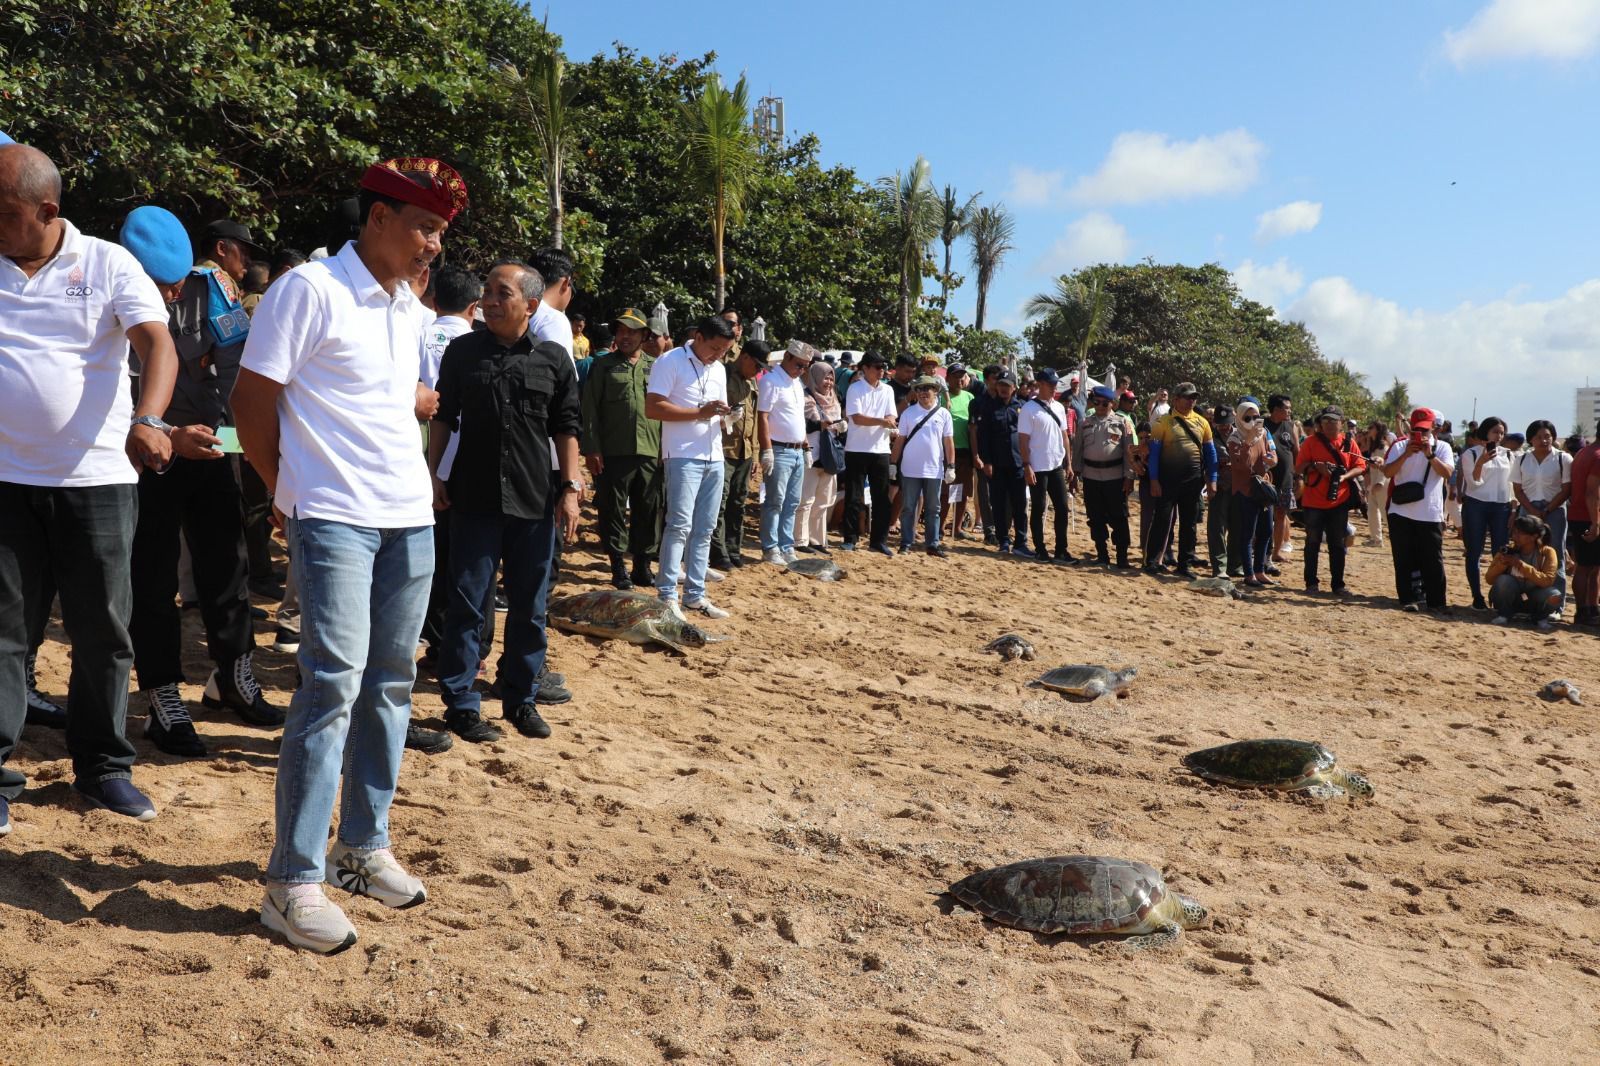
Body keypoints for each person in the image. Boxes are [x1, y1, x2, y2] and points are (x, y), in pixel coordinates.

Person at [234, 156, 468, 953]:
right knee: (330, 685)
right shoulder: (310, 288)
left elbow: (387, 403)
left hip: (408, 517)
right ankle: (291, 879)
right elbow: (252, 399)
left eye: (440, 231)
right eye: (425, 227)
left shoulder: (406, 304)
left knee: (391, 684)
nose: (434, 245)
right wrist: (284, 489)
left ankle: (361, 849)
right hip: (333, 515)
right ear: (378, 218)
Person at [0, 144, 179, 834]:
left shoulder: (106, 262)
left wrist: (152, 418)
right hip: (6, 482)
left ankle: (103, 767)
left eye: (6, 213)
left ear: (47, 211)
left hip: (95, 480)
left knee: (102, 628)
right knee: (5, 631)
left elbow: (157, 345)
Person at [125, 210, 283, 759]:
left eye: (174, 284)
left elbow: (238, 364)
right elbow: (107, 391)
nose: (169, 295)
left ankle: (235, 679)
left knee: (227, 568)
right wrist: (165, 431)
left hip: (209, 448)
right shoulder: (107, 293)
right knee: (152, 581)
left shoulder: (210, 286)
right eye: (157, 285)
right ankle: (163, 700)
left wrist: (231, 436)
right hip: (143, 457)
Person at [430, 260, 581, 743]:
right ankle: (461, 703)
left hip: (536, 500)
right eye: (487, 293)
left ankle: (520, 698)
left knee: (529, 606)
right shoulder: (461, 352)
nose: (489, 301)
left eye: (502, 293)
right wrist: (434, 475)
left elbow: (566, 427)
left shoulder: (554, 358)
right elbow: (443, 418)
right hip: (472, 496)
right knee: (467, 605)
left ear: (530, 305)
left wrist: (571, 489)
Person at [646, 315, 738, 619]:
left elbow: (715, 410)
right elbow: (653, 406)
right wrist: (700, 412)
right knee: (679, 525)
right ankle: (667, 594)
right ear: (697, 337)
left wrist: (727, 415)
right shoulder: (670, 361)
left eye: (724, 350)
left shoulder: (720, 369)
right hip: (682, 453)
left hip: (713, 453)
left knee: (705, 529)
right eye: (714, 348)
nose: (718, 355)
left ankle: (695, 595)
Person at [581, 308, 662, 589]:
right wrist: (591, 448)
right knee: (613, 509)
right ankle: (618, 566)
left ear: (644, 335)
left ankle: (642, 565)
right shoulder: (602, 366)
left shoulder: (656, 366)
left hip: (652, 452)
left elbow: (664, 411)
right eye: (620, 331)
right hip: (613, 451)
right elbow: (589, 409)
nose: (625, 336)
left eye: (632, 331)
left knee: (649, 509)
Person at [1381, 408, 1456, 614]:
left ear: (1434, 428)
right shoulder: (1399, 446)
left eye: (1425, 430)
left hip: (1430, 512)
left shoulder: (1442, 447)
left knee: (1433, 559)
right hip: (1400, 511)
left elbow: (1448, 473)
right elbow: (1387, 472)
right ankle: (1407, 599)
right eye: (1417, 430)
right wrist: (1406, 454)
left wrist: (1429, 454)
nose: (1421, 435)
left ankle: (1436, 601)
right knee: (1403, 558)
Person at [1144, 382, 1217, 577]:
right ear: (1176, 399)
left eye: (1194, 398)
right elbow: (1154, 455)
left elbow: (1210, 454)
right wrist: (1153, 480)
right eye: (1187, 397)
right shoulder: (1163, 422)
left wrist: (1212, 480)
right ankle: (1152, 561)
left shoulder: (1203, 423)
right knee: (1161, 520)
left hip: (1193, 482)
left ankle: (1185, 564)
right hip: (1168, 480)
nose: (1191, 401)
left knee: (1189, 523)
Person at [1295, 405, 1366, 595]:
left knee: (1337, 543)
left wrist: (1344, 477)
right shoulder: (1310, 442)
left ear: (1341, 423)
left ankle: (1338, 584)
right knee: (1312, 542)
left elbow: (1360, 466)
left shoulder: (1349, 443)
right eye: (1325, 420)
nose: (1328, 424)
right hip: (1313, 502)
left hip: (1339, 501)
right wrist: (1315, 466)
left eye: (1333, 420)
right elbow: (1299, 467)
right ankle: (1311, 583)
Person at [758, 341, 815, 565]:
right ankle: (770, 547)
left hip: (797, 450)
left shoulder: (796, 383)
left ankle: (785, 545)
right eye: (800, 365)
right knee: (775, 501)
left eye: (806, 367)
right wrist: (767, 449)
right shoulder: (771, 381)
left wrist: (807, 447)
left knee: (792, 501)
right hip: (779, 448)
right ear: (788, 357)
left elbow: (798, 420)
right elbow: (763, 416)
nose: (802, 370)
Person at [711, 339, 766, 570]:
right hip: (724, 449)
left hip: (744, 452)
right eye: (757, 365)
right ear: (745, 358)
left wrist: (754, 455)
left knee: (738, 502)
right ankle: (717, 552)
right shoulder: (722, 374)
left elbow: (752, 419)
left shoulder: (751, 381)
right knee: (719, 503)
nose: (759, 371)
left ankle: (733, 549)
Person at [1511, 419, 1572, 614]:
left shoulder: (1563, 459)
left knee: (1556, 555)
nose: (1544, 440)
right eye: (1539, 437)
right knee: (1525, 553)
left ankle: (1556, 606)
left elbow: (1566, 489)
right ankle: (1521, 602)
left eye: (1547, 436)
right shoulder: (1521, 459)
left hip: (1554, 510)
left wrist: (1546, 510)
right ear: (1530, 439)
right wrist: (1531, 510)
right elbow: (1518, 489)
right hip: (1527, 510)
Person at [840, 352, 897, 556]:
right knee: (854, 497)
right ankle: (850, 538)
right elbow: (856, 418)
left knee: (882, 497)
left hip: (880, 449)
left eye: (883, 367)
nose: (881, 370)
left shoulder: (888, 390)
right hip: (857, 449)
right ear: (865, 368)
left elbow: (891, 414)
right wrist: (883, 421)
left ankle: (879, 541)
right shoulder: (855, 388)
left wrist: (887, 420)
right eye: (877, 366)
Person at [892, 376, 955, 557]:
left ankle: (932, 544)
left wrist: (951, 466)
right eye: (919, 389)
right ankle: (906, 542)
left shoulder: (944, 414)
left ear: (936, 391)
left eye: (927, 388)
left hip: (934, 470)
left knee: (933, 509)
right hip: (910, 469)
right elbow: (900, 441)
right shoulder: (908, 413)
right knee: (908, 508)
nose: (922, 392)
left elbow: (949, 442)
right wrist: (893, 463)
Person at [1073, 385, 1135, 568]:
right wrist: (1074, 474)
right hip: (1091, 478)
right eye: (1096, 402)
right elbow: (1077, 451)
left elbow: (1128, 453)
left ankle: (1122, 557)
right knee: (1096, 518)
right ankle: (1102, 554)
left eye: (1104, 403)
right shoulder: (1084, 423)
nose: (1100, 406)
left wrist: (1129, 476)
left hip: (1114, 478)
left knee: (1119, 518)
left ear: (1112, 404)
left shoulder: (1122, 423)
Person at [1017, 367, 1074, 563]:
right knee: (1039, 508)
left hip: (1056, 464)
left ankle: (1061, 549)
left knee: (1062, 507)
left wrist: (1069, 462)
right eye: (1050, 384)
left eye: (1054, 384)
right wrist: (1026, 465)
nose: (1053, 388)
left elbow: (1064, 435)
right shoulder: (1028, 409)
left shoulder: (1059, 407)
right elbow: (1023, 440)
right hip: (1037, 466)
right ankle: (1040, 549)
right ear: (1040, 385)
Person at [1458, 417, 1514, 611]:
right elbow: (1473, 484)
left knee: (1500, 552)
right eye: (1495, 432)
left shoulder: (1508, 455)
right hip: (1476, 504)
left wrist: (1513, 508)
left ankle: (1498, 595)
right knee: (1474, 551)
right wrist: (1481, 462)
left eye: (1501, 432)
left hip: (1502, 506)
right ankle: (1476, 596)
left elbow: (1512, 484)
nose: (1498, 436)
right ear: (1485, 432)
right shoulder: (1471, 454)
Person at [975, 370, 1029, 556]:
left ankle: (1021, 542)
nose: (1003, 389)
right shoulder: (988, 407)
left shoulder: (1022, 407)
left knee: (1019, 505)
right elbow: (983, 437)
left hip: (1017, 464)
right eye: (1001, 385)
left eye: (1007, 386)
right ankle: (1003, 541)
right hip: (997, 465)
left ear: (1014, 388)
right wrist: (987, 461)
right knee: (997, 504)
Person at [795, 360, 846, 553]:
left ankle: (817, 540)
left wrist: (841, 427)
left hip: (830, 455)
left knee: (824, 500)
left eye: (831, 378)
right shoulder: (806, 398)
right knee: (806, 500)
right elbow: (802, 426)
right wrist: (821, 425)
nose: (828, 382)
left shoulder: (835, 398)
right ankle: (800, 540)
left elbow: (837, 425)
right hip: (812, 453)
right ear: (815, 377)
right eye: (825, 378)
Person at [1226, 399, 1277, 586]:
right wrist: (1247, 442)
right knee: (1247, 533)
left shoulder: (1263, 434)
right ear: (1239, 417)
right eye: (1248, 417)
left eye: (1256, 417)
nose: (1253, 420)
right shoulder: (1235, 438)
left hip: (1262, 489)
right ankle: (1249, 574)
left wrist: (1271, 460)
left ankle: (1260, 570)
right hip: (1245, 490)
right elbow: (1241, 465)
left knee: (1266, 531)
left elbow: (1273, 455)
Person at [1486, 515, 1562, 630]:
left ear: (1533, 536)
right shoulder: (1508, 550)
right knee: (1503, 581)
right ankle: (1504, 615)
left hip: (1533, 598)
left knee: (1555, 596)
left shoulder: (1547, 552)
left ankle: (1539, 618)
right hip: (1513, 596)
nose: (1514, 536)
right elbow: (1489, 579)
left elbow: (1547, 581)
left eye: (1519, 533)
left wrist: (1521, 565)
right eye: (1514, 532)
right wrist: (1502, 564)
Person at [1568, 426, 1600, 628]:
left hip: (1581, 515)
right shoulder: (1597, 456)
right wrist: (1595, 523)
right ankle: (1583, 612)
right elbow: (1592, 493)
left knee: (1593, 567)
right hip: (1588, 517)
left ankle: (1591, 609)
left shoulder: (1585, 452)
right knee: (1586, 567)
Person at [943, 364, 977, 540]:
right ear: (948, 378)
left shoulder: (970, 397)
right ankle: (940, 527)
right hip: (946, 451)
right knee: (944, 492)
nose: (959, 380)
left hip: (965, 451)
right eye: (955, 376)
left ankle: (956, 528)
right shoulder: (942, 397)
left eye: (962, 376)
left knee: (962, 492)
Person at [1264, 394, 1297, 566]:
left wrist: (1297, 476)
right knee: (1264, 516)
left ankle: (1276, 552)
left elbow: (1296, 451)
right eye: (1287, 408)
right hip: (1266, 481)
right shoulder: (1263, 425)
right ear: (1276, 409)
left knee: (1281, 515)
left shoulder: (1291, 426)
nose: (1289, 411)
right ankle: (1263, 551)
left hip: (1286, 480)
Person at [1205, 404, 1236, 577]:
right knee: (1217, 528)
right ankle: (1219, 566)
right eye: (1221, 423)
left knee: (1237, 527)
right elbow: (1209, 461)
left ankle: (1235, 565)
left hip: (1238, 487)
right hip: (1219, 486)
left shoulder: (1241, 434)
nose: (1224, 427)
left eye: (1227, 423)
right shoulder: (1209, 436)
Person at [1363, 420, 1392, 547]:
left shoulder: (1384, 448)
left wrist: (1379, 483)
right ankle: (1376, 539)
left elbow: (1385, 466)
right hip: (1374, 484)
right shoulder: (1374, 448)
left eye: (1371, 427)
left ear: (1378, 430)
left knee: (1385, 513)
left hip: (1382, 484)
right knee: (1372, 512)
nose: (1369, 430)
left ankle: (1396, 536)